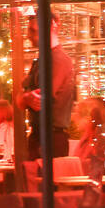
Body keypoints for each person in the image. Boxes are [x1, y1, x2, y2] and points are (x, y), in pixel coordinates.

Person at [21, 15, 75, 160]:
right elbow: (23, 99)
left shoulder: (58, 60)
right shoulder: (42, 60)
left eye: (32, 30)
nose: (28, 36)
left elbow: (38, 100)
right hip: (43, 137)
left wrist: (25, 97)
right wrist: (26, 98)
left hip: (50, 139)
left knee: (43, 181)